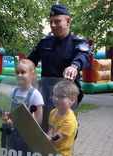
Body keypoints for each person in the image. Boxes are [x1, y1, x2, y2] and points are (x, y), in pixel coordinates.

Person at [27, 4, 90, 132]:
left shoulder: (78, 43)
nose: (53, 26)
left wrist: (74, 66)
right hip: (45, 95)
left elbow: (83, 57)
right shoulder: (45, 42)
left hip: (65, 98)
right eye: (51, 22)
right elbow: (29, 62)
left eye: (57, 21)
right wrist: (26, 76)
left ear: (68, 21)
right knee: (42, 129)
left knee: (62, 132)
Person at [0, 59, 44, 156]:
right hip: (13, 138)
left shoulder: (35, 95)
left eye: (23, 72)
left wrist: (16, 122)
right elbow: (10, 115)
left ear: (32, 74)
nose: (20, 75)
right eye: (17, 72)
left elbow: (38, 120)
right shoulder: (13, 92)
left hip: (27, 139)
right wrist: (6, 118)